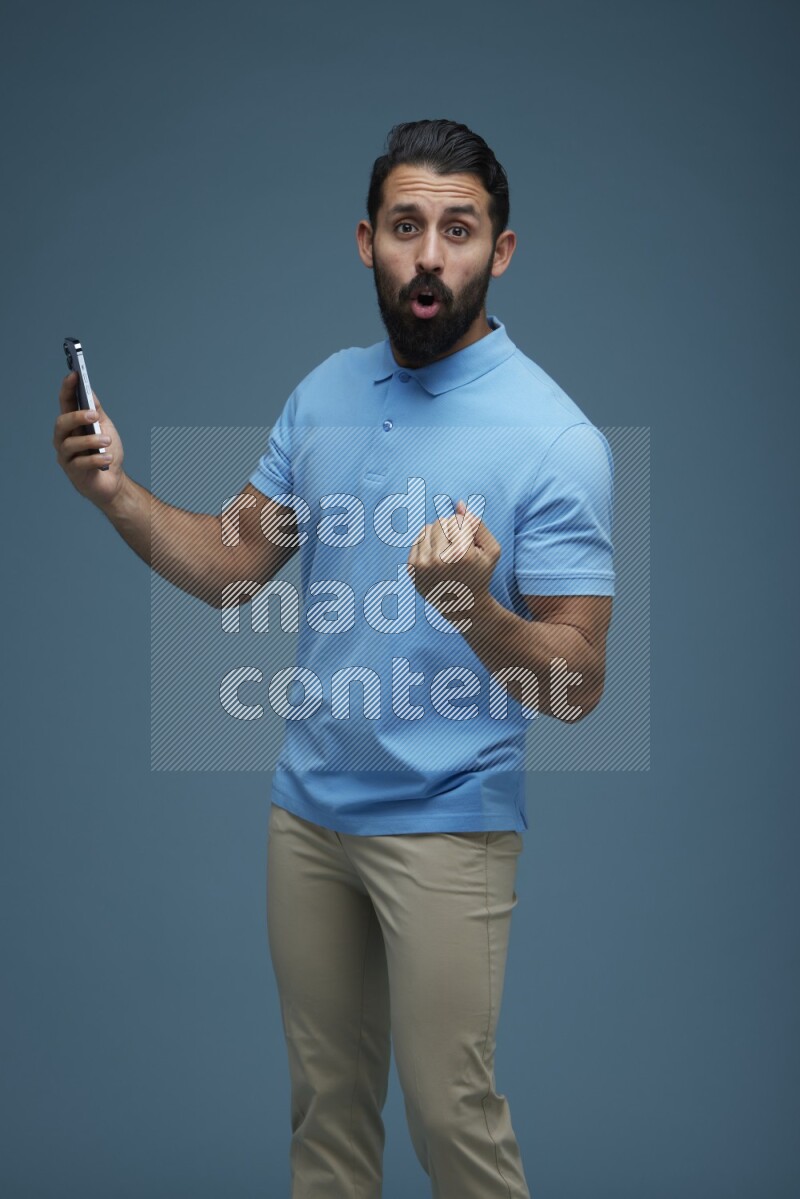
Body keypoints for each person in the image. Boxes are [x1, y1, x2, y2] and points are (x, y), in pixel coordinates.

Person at [53, 119, 615, 1199]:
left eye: (458, 230)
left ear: (499, 252)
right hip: (307, 818)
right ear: (367, 241)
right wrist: (114, 491)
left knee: (452, 1120)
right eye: (407, 226)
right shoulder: (323, 394)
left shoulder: (554, 439)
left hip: (448, 819)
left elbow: (577, 684)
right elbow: (231, 567)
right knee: (324, 1123)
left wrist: (474, 612)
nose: (429, 255)